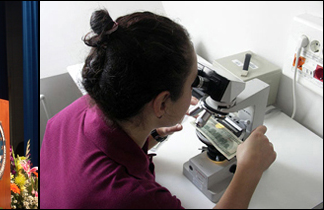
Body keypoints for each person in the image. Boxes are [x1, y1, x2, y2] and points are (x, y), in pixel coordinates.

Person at [40, 10, 276, 209]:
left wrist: (148, 137)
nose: (194, 91)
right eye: (192, 83)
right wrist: (249, 169)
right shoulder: (134, 197)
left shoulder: (71, 113)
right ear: (162, 103)